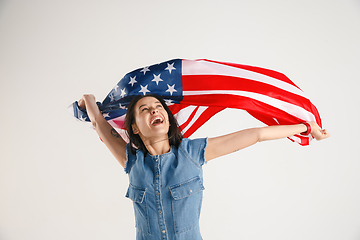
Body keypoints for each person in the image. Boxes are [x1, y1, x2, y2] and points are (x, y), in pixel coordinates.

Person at [78, 93, 330, 240]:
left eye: (158, 107)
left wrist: (307, 128)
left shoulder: (192, 152)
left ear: (167, 118)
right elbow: (98, 120)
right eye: (145, 109)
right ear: (134, 127)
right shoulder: (131, 161)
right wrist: (88, 99)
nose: (155, 110)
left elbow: (257, 134)